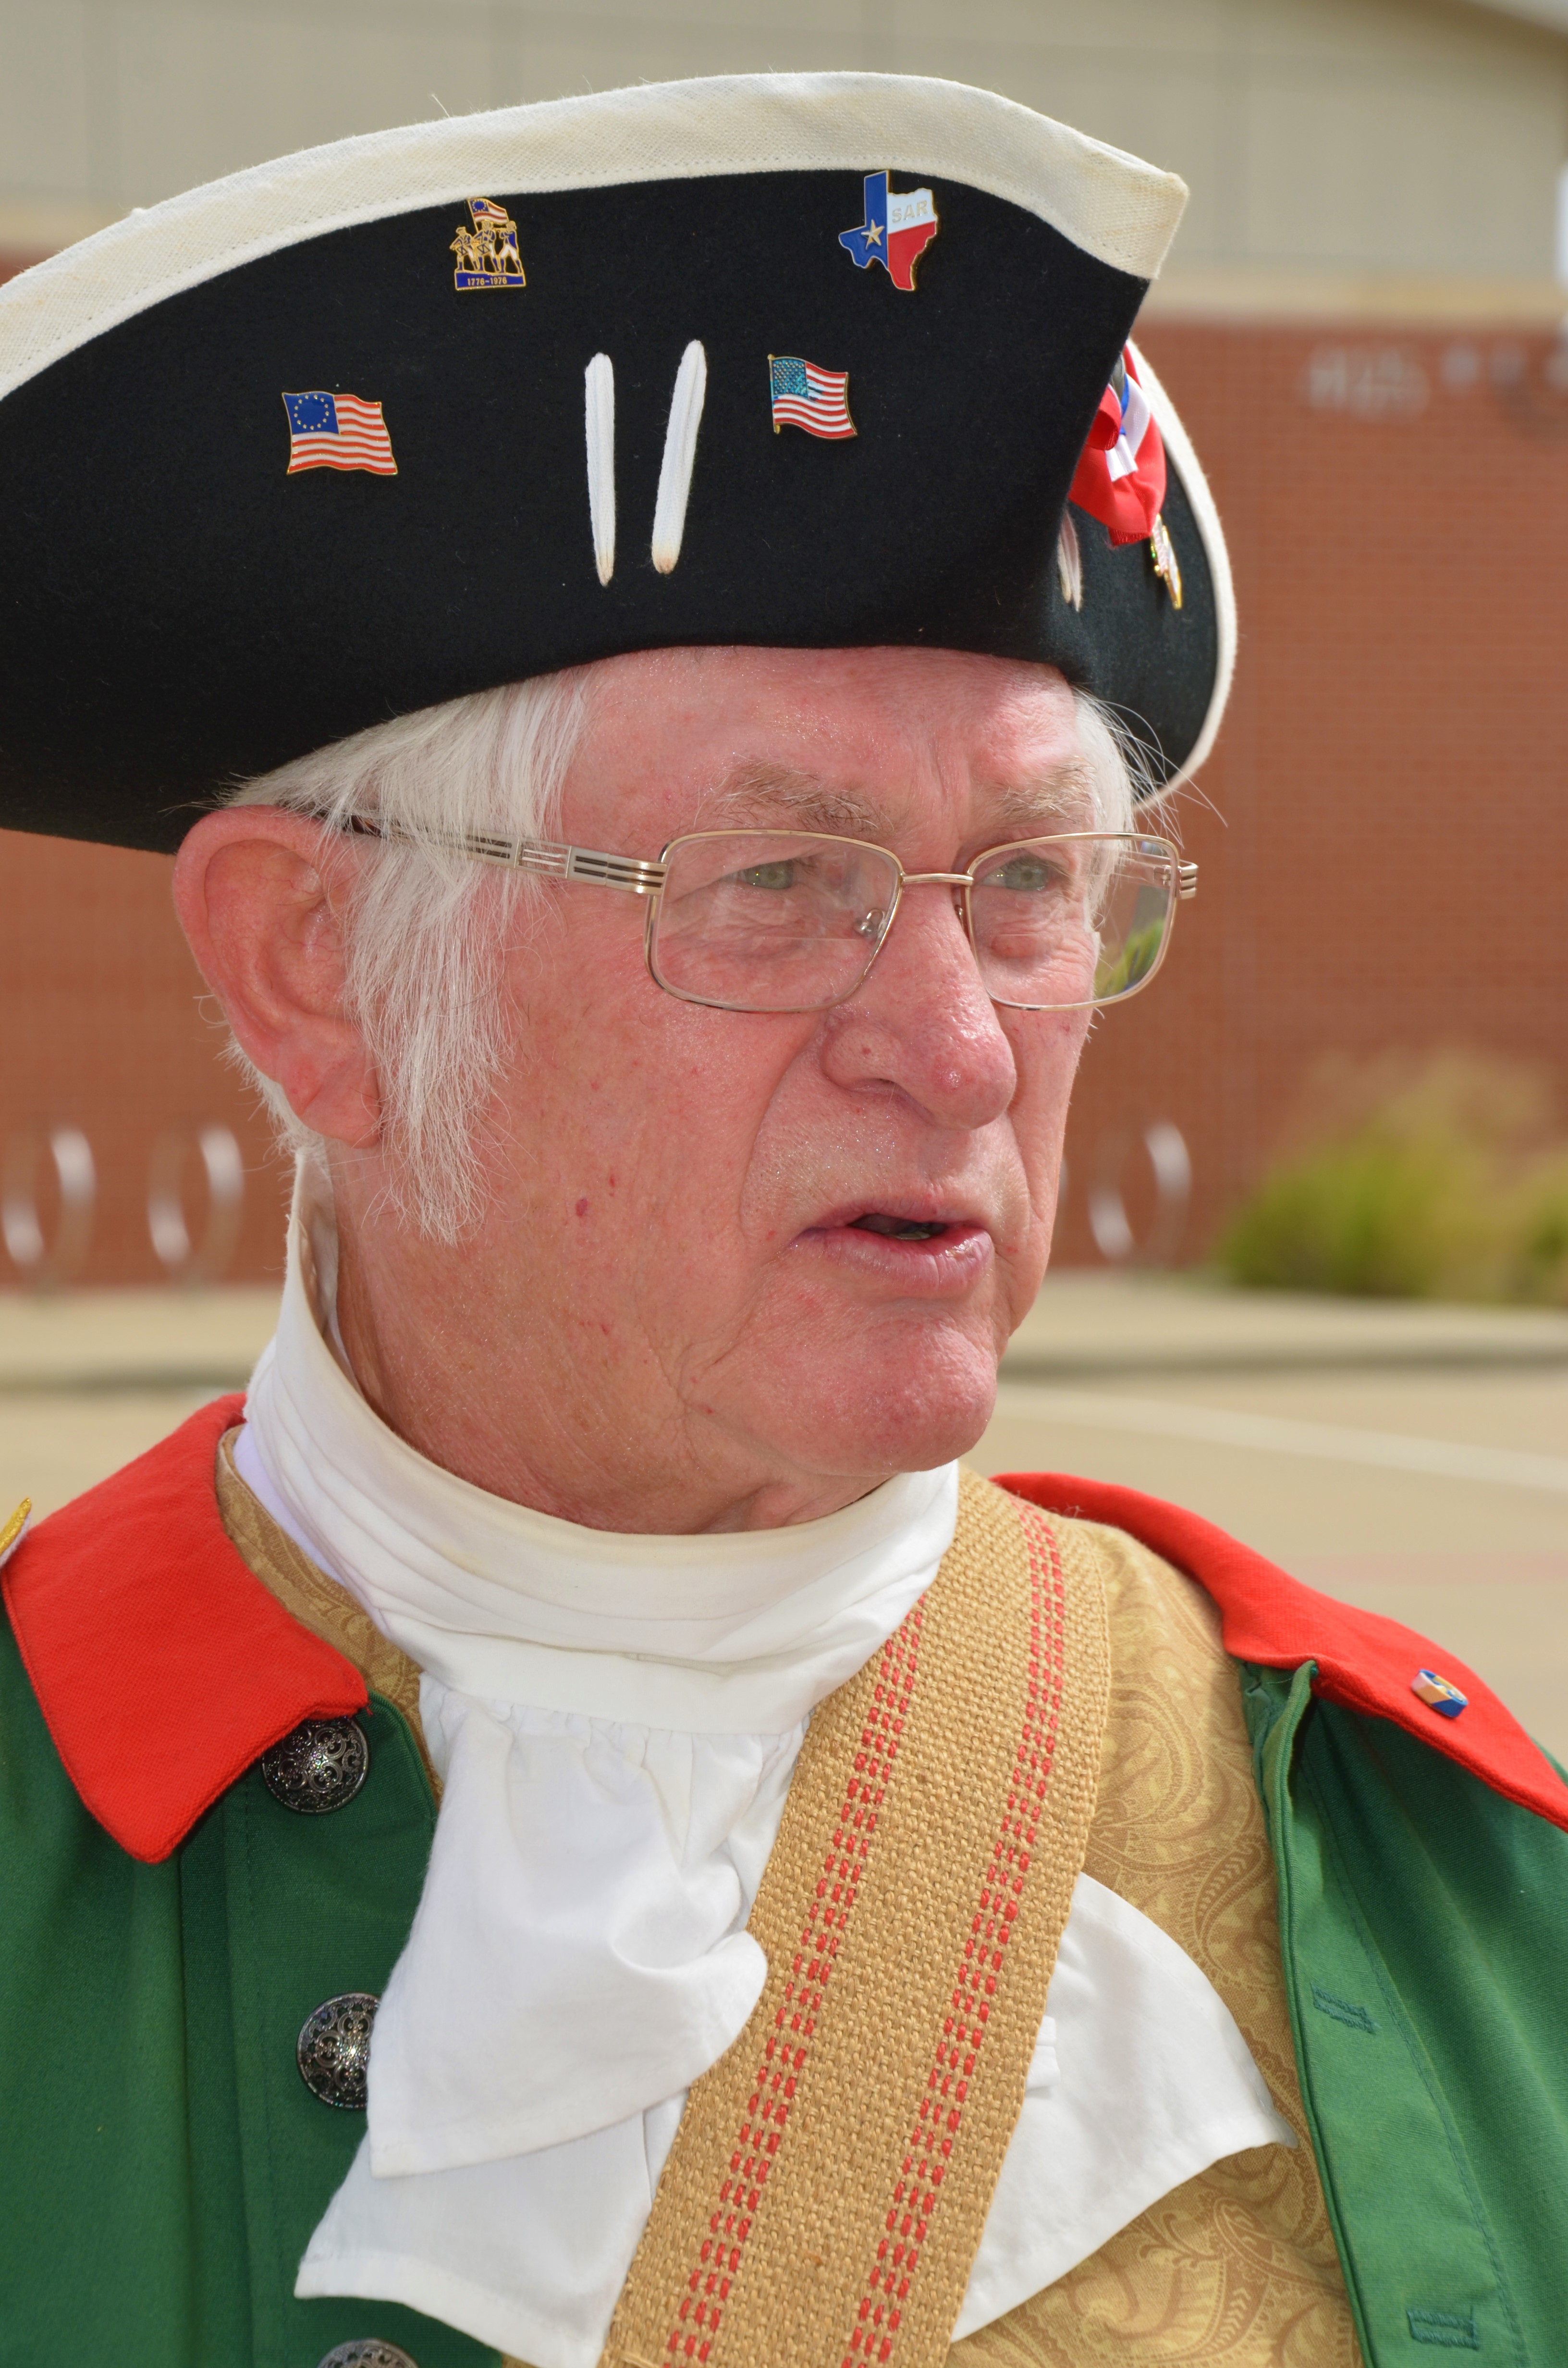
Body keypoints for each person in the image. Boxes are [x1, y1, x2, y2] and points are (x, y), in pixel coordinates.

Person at [0, 70, 1563, 2368]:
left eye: (1028, 881)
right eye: (776, 879)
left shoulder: (1437, 1878)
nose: (958, 1045)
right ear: (317, 971)